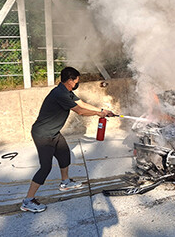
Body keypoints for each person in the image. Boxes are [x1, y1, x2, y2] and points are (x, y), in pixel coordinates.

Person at [20, 67, 114, 213]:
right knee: (45, 167)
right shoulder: (60, 94)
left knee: (64, 154)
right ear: (70, 81)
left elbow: (81, 103)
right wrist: (98, 114)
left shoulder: (65, 91)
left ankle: (65, 182)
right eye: (77, 80)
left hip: (54, 133)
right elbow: (80, 111)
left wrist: (102, 110)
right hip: (43, 135)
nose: (78, 83)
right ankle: (28, 201)